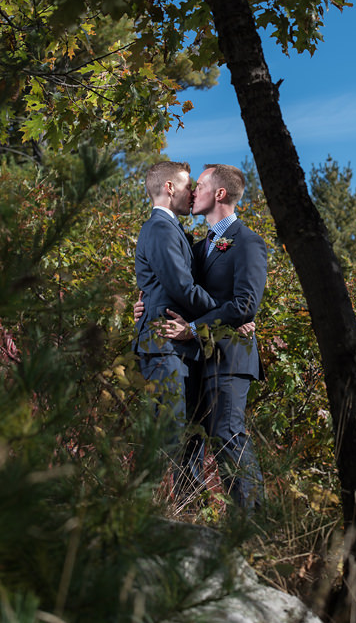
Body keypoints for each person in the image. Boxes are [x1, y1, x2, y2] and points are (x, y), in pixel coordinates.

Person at [136, 163, 267, 513]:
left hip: (230, 355)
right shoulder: (197, 246)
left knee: (227, 433)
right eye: (190, 186)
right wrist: (147, 304)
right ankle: (189, 514)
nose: (193, 192)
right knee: (190, 436)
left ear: (219, 194)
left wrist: (215, 322)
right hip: (195, 356)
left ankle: (253, 521)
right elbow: (172, 283)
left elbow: (244, 304)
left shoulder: (249, 243)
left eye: (201, 186)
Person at [134, 160, 218, 491]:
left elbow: (160, 286)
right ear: (169, 188)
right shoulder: (158, 228)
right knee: (169, 432)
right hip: (164, 344)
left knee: (190, 432)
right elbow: (180, 286)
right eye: (187, 187)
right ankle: (154, 509)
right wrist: (227, 313)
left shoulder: (174, 231)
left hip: (181, 345)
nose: (192, 194)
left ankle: (185, 508)